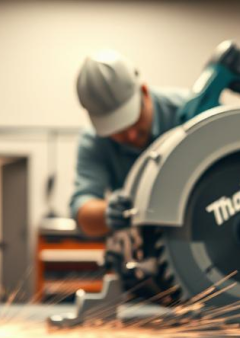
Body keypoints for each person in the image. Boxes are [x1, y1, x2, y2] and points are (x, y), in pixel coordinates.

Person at [71, 50, 189, 237]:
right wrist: (107, 212)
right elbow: (83, 208)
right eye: (117, 131)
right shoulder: (93, 141)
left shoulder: (188, 113)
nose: (131, 136)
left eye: (134, 120)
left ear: (144, 92)